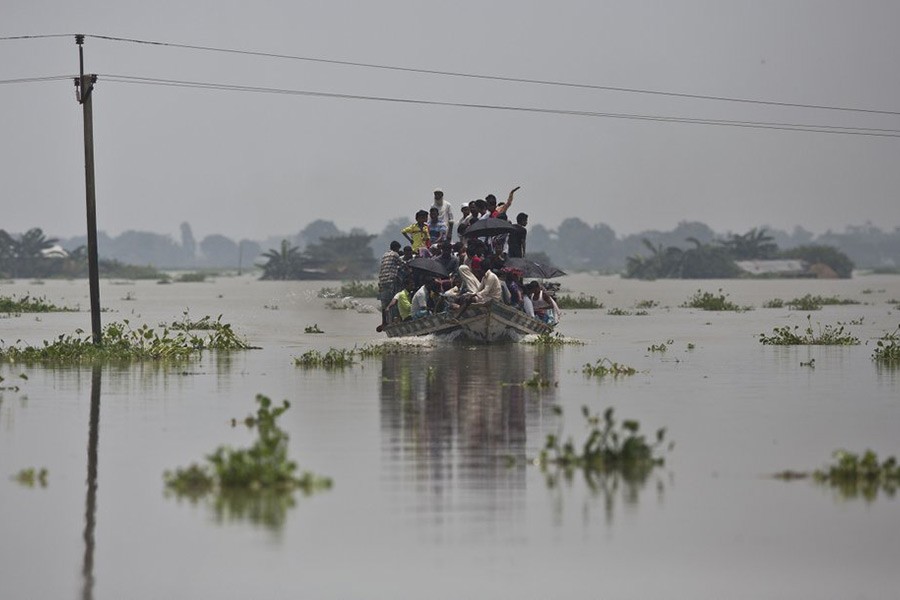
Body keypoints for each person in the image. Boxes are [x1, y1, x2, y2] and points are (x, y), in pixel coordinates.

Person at [377, 241, 403, 323]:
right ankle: (395, 320)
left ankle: (384, 321)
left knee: (384, 302)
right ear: (396, 248)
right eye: (398, 249)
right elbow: (402, 264)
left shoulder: (384, 255)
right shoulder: (395, 254)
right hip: (390, 280)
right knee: (393, 300)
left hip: (381, 281)